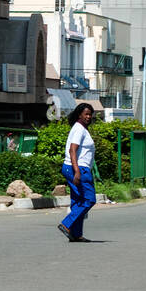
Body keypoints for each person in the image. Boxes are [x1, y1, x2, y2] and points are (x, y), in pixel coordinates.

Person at [58, 103, 97, 242]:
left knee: (78, 201)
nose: (88, 117)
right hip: (78, 168)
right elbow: (72, 150)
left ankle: (76, 234)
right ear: (79, 114)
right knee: (89, 199)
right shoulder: (79, 129)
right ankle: (67, 224)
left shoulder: (80, 128)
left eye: (90, 114)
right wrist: (77, 171)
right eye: (86, 114)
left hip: (74, 167)